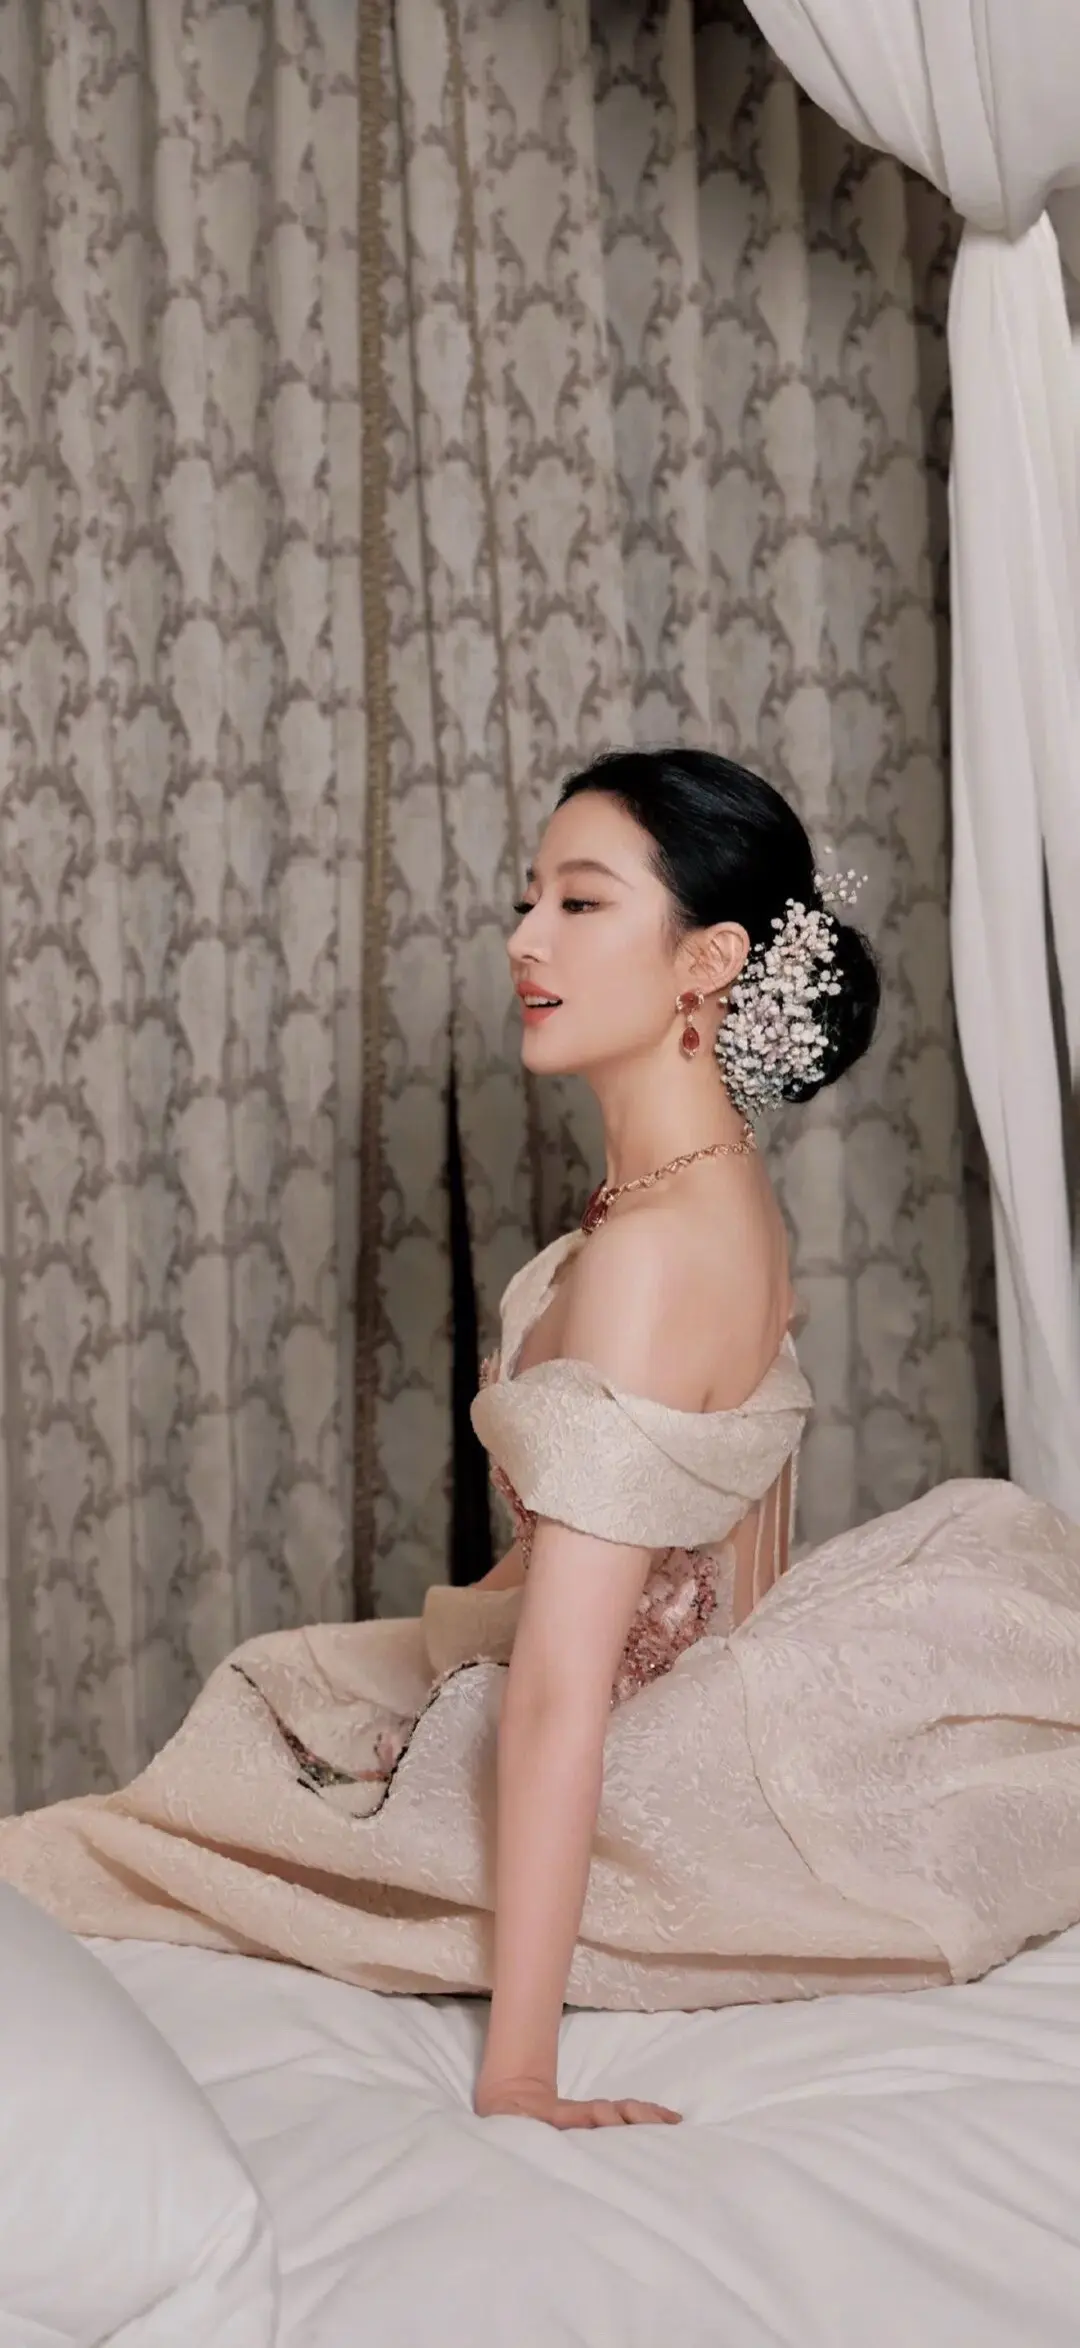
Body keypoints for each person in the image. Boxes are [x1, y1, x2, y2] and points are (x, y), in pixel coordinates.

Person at [3, 747, 1080, 2135]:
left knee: (118, 1852)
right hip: (627, 1687)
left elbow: (565, 1692)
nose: (525, 938)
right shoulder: (689, 1191)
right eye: (529, 899)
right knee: (259, 1720)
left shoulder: (656, 1252)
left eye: (580, 902)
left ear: (709, 961)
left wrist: (519, 2075)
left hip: (634, 1756)